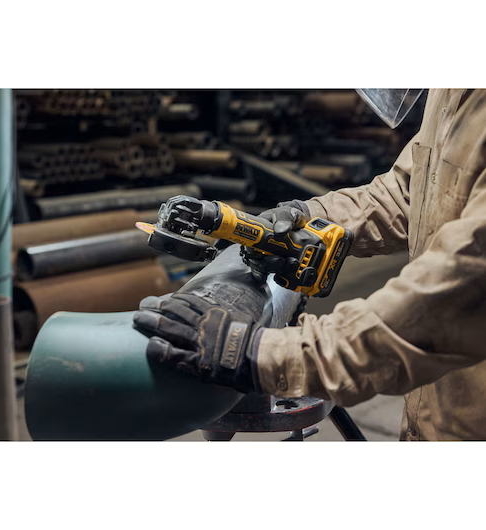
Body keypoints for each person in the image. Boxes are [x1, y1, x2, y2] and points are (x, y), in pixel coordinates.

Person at [134, 89, 486, 441]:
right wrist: (309, 218)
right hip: (437, 409)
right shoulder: (449, 93)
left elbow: (456, 297)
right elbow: (405, 192)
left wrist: (264, 354)